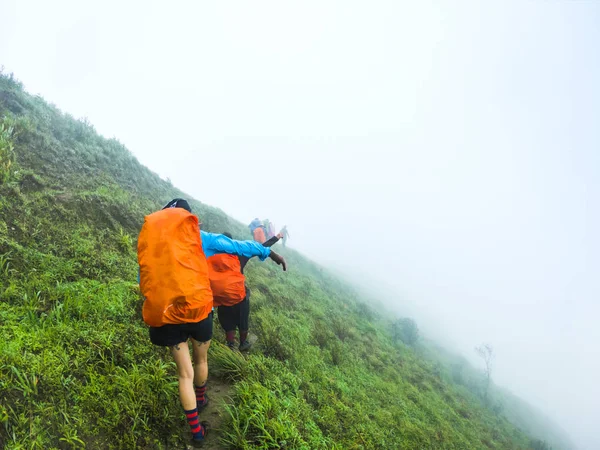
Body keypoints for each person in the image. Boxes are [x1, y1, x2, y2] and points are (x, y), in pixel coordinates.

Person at [138, 199, 286, 447]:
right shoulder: (201, 237)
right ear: (188, 216)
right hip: (200, 311)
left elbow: (145, 279)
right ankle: (202, 399)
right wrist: (270, 252)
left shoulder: (152, 244)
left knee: (184, 374)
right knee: (202, 361)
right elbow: (240, 246)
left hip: (168, 315)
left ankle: (196, 433)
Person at [207, 232, 280, 351]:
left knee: (227, 320)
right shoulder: (239, 255)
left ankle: (230, 344)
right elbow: (261, 247)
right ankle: (243, 343)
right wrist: (276, 238)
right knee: (243, 320)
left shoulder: (210, 255)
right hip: (240, 297)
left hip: (222, 298)